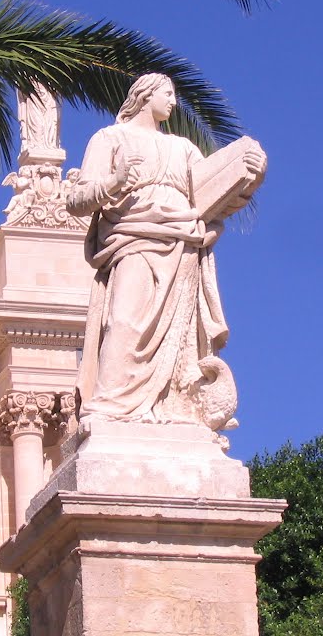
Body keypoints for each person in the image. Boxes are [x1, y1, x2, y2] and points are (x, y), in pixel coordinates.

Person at [66, 73, 230, 424]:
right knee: (123, 320)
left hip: (181, 244)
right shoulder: (110, 139)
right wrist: (114, 181)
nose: (173, 101)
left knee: (180, 338)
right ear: (144, 95)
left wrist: (219, 214)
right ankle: (109, 404)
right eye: (167, 93)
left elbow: (208, 201)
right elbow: (76, 200)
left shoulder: (184, 149)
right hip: (132, 237)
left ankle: (170, 405)